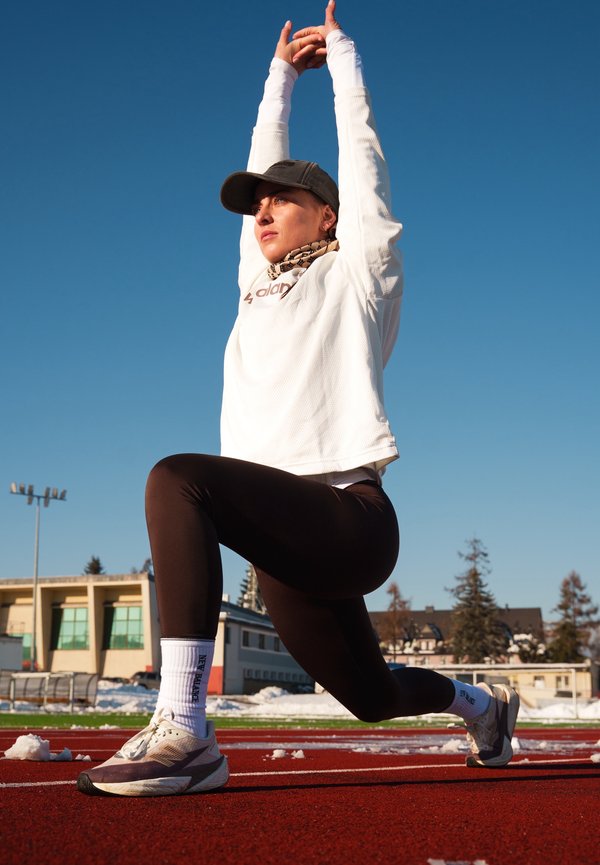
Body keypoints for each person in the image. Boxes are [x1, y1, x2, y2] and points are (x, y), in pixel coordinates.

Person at [77, 1, 519, 798]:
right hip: (284, 544)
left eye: (283, 200)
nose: (264, 212)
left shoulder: (359, 274)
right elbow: (261, 163)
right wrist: (278, 78)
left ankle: (185, 727)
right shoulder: (255, 288)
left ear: (329, 215)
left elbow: (363, 159)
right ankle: (483, 706)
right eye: (257, 205)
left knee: (175, 478)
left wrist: (342, 61)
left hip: (348, 518)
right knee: (371, 695)